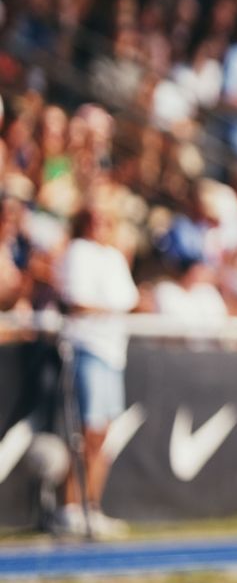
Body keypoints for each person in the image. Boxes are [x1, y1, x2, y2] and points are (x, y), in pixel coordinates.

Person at [56, 205, 138, 538]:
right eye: (94, 220)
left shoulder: (114, 258)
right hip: (87, 347)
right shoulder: (77, 252)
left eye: (106, 220)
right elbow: (76, 300)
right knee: (85, 431)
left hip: (113, 351)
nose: (100, 226)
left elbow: (128, 299)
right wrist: (109, 308)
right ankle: (70, 507)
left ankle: (92, 506)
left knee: (103, 435)